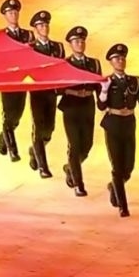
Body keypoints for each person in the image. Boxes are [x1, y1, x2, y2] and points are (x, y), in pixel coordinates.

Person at [96, 43, 139, 217]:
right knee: (117, 167)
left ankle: (114, 186)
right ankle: (123, 206)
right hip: (113, 124)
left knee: (128, 167)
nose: (120, 61)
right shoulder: (107, 81)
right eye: (116, 59)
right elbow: (101, 106)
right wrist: (104, 91)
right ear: (111, 62)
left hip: (129, 124)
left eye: (122, 58)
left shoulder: (134, 81)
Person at [57, 26, 102, 196]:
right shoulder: (65, 64)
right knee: (75, 146)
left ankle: (70, 167)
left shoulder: (94, 64)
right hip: (71, 106)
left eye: (82, 41)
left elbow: (98, 85)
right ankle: (78, 184)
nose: (80, 44)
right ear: (70, 44)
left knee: (87, 145)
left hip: (87, 105)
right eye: (76, 41)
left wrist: (104, 104)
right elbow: (58, 87)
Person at [27, 10, 64, 178]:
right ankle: (43, 167)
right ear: (35, 29)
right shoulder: (30, 48)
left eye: (46, 25)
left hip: (51, 93)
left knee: (49, 130)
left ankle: (34, 150)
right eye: (41, 25)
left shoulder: (58, 47)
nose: (44, 28)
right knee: (38, 128)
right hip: (37, 92)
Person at [0, 0, 33, 162]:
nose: (13, 15)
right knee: (8, 115)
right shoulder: (1, 36)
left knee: (17, 116)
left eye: (15, 12)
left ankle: (2, 138)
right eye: (10, 13)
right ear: (5, 16)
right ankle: (13, 150)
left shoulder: (28, 35)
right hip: (8, 81)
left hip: (22, 80)